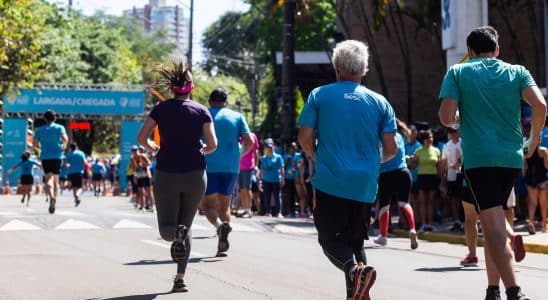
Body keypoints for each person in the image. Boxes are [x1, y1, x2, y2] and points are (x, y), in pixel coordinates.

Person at [438, 26, 546, 300]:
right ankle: (492, 289)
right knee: (492, 223)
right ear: (497, 49)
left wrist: (463, 115)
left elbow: (446, 117)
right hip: (511, 158)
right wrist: (532, 141)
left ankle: (514, 290)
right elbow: (541, 106)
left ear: (470, 51)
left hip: (479, 160)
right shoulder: (518, 71)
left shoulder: (458, 72)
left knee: (493, 228)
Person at [298, 40, 398, 300]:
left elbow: (304, 137)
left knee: (330, 241)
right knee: (355, 243)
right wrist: (371, 164)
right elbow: (392, 149)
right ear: (364, 69)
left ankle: (354, 272)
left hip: (331, 179)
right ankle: (358, 286)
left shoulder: (320, 95)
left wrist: (317, 157)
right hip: (365, 183)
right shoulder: (380, 102)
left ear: (336, 67)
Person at [137, 60, 217, 293]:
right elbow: (212, 144)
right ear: (191, 87)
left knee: (167, 230)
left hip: (167, 173)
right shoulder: (202, 111)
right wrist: (201, 149)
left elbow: (142, 138)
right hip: (195, 175)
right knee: (187, 224)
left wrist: (154, 148)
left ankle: (177, 235)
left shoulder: (161, 109)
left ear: (172, 87)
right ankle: (180, 277)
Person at [202, 88, 253, 257]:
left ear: (210, 101)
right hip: (231, 167)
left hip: (208, 166)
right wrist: (238, 155)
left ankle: (219, 228)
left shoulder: (204, 114)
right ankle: (221, 241)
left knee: (208, 205)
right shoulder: (237, 116)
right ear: (226, 101)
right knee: (225, 207)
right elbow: (250, 142)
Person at [373, 120, 418, 250]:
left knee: (384, 206)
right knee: (405, 203)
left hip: (386, 174)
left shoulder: (380, 139)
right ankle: (412, 229)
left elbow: (378, 156)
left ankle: (383, 236)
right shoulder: (400, 137)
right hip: (404, 172)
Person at [33, 109, 69, 214]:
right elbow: (65, 139)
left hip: (45, 157)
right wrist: (63, 146)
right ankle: (54, 200)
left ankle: (51, 196)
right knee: (56, 180)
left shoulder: (40, 130)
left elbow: (34, 144)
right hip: (57, 156)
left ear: (44, 119)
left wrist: (40, 148)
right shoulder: (59, 127)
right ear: (55, 118)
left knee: (48, 178)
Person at [410, 129, 441, 231]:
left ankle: (430, 224)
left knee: (431, 202)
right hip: (422, 177)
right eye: (428, 138)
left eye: (431, 137)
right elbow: (413, 165)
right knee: (423, 202)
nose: (430, 139)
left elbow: (439, 166)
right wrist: (410, 160)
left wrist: (442, 180)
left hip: (432, 177)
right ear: (423, 140)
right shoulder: (418, 151)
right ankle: (424, 224)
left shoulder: (436, 150)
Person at [442, 127, 463, 231]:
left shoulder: (463, 143)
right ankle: (456, 221)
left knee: (462, 199)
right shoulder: (446, 146)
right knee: (454, 199)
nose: (453, 134)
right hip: (451, 175)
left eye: (455, 131)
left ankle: (463, 220)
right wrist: (443, 177)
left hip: (462, 175)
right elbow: (444, 162)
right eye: (451, 132)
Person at [259, 138, 285, 218]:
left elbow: (282, 168)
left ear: (273, 147)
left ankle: (279, 212)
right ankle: (268, 212)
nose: (269, 148)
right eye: (267, 147)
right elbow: (262, 169)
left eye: (271, 146)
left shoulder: (278, 157)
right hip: (266, 179)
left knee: (277, 196)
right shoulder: (264, 158)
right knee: (267, 196)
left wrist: (283, 178)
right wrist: (260, 179)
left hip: (276, 179)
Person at [236, 132, 259, 218]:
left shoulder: (252, 135)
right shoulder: (237, 136)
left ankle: (249, 210)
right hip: (238, 167)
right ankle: (245, 209)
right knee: (241, 189)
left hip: (248, 166)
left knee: (247, 188)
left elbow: (256, 151)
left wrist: (256, 165)